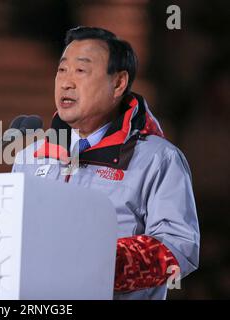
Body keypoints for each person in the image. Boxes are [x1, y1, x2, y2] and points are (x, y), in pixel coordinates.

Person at [12, 26, 200, 299]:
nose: (66, 82)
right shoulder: (30, 157)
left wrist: (97, 261)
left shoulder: (158, 159)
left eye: (81, 71)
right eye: (62, 70)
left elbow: (179, 247)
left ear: (119, 83)